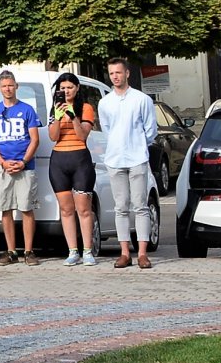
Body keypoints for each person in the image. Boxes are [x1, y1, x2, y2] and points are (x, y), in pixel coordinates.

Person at [99, 56, 158, 268]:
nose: (115, 76)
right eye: (112, 73)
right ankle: (124, 252)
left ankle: (142, 252)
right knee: (120, 207)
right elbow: (107, 129)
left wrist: (139, 144)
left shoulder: (142, 100)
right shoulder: (105, 102)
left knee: (140, 206)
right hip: (115, 159)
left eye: (118, 72)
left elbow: (151, 130)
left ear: (127, 73)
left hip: (137, 158)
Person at [0, 70, 42, 265]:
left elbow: (35, 139)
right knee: (6, 208)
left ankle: (28, 251)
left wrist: (24, 161)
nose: (8, 89)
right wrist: (2, 162)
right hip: (3, 168)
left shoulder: (27, 110)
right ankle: (11, 251)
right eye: (4, 86)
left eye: (10, 85)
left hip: (25, 167)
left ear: (16, 86)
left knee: (26, 208)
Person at [48, 72, 99, 267]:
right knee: (66, 209)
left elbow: (82, 135)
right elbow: (53, 136)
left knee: (83, 208)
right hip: (59, 160)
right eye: (62, 88)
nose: (66, 91)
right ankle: (72, 251)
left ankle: (87, 250)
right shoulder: (55, 109)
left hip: (80, 159)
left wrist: (72, 115)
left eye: (70, 87)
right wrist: (59, 117)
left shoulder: (85, 108)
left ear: (77, 89)